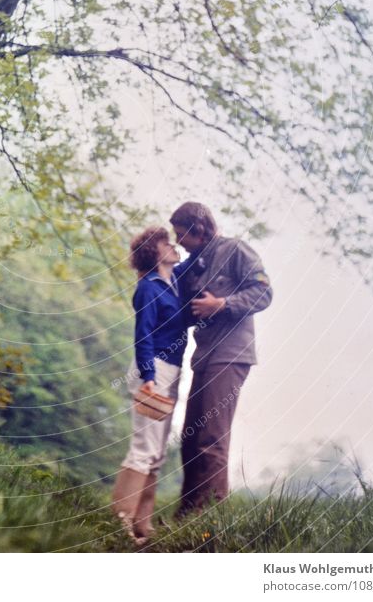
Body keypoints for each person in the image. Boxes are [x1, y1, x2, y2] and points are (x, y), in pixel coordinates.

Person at [170, 201, 272, 516]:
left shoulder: (237, 250)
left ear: (198, 230)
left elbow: (264, 293)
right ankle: (188, 513)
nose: (178, 241)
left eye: (180, 234)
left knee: (212, 437)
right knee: (190, 438)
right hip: (203, 357)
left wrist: (223, 304)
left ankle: (210, 519)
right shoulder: (192, 266)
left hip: (231, 354)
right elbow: (183, 312)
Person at [111, 226, 187, 543]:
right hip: (153, 370)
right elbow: (142, 335)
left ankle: (143, 525)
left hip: (171, 372)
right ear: (154, 252)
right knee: (143, 449)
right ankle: (121, 521)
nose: (173, 244)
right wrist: (149, 378)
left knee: (156, 454)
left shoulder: (172, 283)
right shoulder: (148, 288)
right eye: (165, 242)